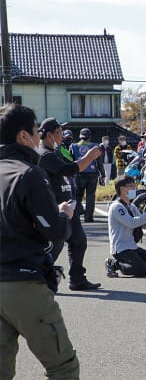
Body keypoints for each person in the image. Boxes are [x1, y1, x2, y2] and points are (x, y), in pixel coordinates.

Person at [0, 104, 80, 379]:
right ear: (24, 137)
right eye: (36, 132)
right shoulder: (29, 174)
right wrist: (64, 215)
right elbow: (55, 231)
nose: (38, 138)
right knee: (63, 366)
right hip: (23, 282)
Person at [37, 117, 103, 291]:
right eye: (59, 132)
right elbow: (70, 169)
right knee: (55, 246)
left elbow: (71, 165)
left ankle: (77, 279)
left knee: (78, 241)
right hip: (56, 208)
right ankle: (37, 280)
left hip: (70, 207)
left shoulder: (57, 150)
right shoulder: (44, 154)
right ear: (50, 135)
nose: (63, 135)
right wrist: (90, 157)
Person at [106, 175, 146, 278]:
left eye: (134, 186)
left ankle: (135, 263)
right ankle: (113, 263)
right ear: (122, 189)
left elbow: (142, 225)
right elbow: (132, 223)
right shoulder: (116, 207)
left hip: (132, 246)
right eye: (131, 186)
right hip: (121, 249)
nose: (134, 189)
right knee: (142, 270)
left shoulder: (131, 206)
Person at [70, 128, 105, 222]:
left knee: (77, 195)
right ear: (89, 137)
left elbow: (71, 160)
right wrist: (103, 174)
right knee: (90, 196)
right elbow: (99, 162)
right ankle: (88, 217)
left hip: (79, 173)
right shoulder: (95, 146)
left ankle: (78, 212)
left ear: (80, 136)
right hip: (92, 174)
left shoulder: (74, 146)